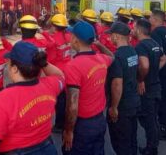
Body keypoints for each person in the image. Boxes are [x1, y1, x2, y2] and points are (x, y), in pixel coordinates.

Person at [0, 42, 64, 155]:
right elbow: (60, 75)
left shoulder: (1, 101)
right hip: (47, 148)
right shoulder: (50, 85)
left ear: (14, 69)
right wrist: (43, 63)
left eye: (9, 63)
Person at [62, 21, 113, 155]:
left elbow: (73, 105)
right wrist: (98, 44)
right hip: (99, 121)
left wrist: (69, 131)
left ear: (75, 40)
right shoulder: (102, 59)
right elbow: (112, 57)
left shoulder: (73, 66)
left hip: (82, 126)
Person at [105, 22, 140, 155]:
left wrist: (114, 107)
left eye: (111, 35)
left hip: (122, 106)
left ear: (116, 36)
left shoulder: (118, 57)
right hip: (133, 101)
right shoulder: (132, 51)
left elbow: (117, 84)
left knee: (121, 143)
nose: (109, 38)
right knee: (131, 139)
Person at [134, 19, 166, 155]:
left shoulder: (141, 46)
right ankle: (153, 143)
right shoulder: (154, 43)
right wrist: (155, 70)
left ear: (139, 30)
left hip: (147, 88)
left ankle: (151, 148)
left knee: (148, 119)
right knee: (151, 118)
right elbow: (164, 58)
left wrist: (141, 79)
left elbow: (145, 65)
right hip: (156, 86)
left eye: (135, 28)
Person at [42, 14, 72, 132]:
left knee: (59, 99)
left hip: (57, 71)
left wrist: (44, 33)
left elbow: (51, 59)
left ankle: (59, 125)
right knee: (65, 97)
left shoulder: (53, 39)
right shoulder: (68, 36)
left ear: (54, 26)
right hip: (68, 68)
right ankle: (65, 120)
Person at [149, 10, 166, 141]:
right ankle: (165, 126)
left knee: (160, 101)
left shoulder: (156, 33)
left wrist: (154, 70)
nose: (149, 20)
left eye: (150, 17)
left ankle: (162, 129)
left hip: (161, 71)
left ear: (155, 19)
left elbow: (158, 53)